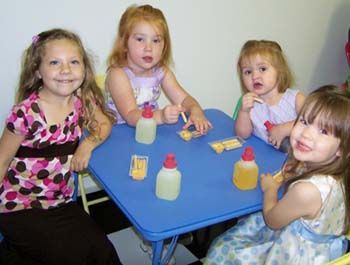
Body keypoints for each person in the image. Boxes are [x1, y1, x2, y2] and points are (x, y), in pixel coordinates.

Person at [0, 28, 122, 265]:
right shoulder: (25, 114)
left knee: (103, 252)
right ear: (37, 71)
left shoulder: (81, 100)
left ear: (84, 69)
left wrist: (87, 144)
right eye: (55, 62)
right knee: (70, 256)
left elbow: (104, 124)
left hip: (60, 202)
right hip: (19, 205)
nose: (65, 70)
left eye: (73, 62)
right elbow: (2, 160)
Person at [205, 85, 350, 264]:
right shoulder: (339, 172)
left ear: (342, 149)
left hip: (296, 254)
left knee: (223, 248)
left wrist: (270, 189)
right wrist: (298, 170)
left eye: (324, 131)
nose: (306, 134)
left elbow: (272, 220)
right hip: (324, 249)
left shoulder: (306, 191)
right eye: (304, 121)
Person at [105, 4, 211, 134]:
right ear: (124, 44)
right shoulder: (117, 75)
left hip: (149, 130)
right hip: (118, 133)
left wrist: (196, 111)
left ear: (164, 47)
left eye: (156, 41)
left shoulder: (161, 72)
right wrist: (161, 116)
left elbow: (184, 99)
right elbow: (130, 115)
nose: (148, 48)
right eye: (140, 39)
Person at [235, 40, 305, 150]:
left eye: (262, 69)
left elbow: (315, 123)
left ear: (280, 71)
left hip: (300, 160)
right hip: (267, 160)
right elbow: (243, 135)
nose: (255, 76)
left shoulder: (296, 99)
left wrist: (285, 128)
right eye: (248, 72)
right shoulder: (251, 105)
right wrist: (244, 111)